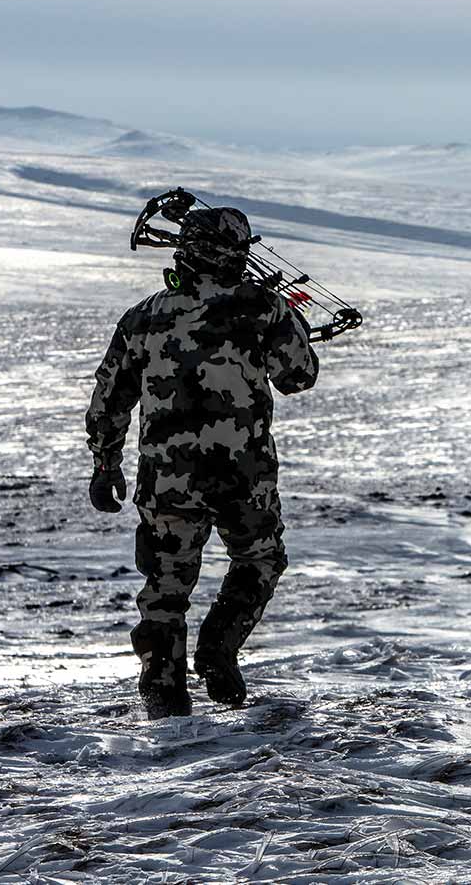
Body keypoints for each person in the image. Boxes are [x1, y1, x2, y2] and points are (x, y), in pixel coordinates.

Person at [85, 206, 319, 719]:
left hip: (166, 480)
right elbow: (299, 376)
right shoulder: (260, 306)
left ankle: (163, 697)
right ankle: (219, 646)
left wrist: (105, 465)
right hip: (244, 476)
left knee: (166, 589)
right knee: (260, 560)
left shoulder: (142, 316)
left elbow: (108, 400)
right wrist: (290, 317)